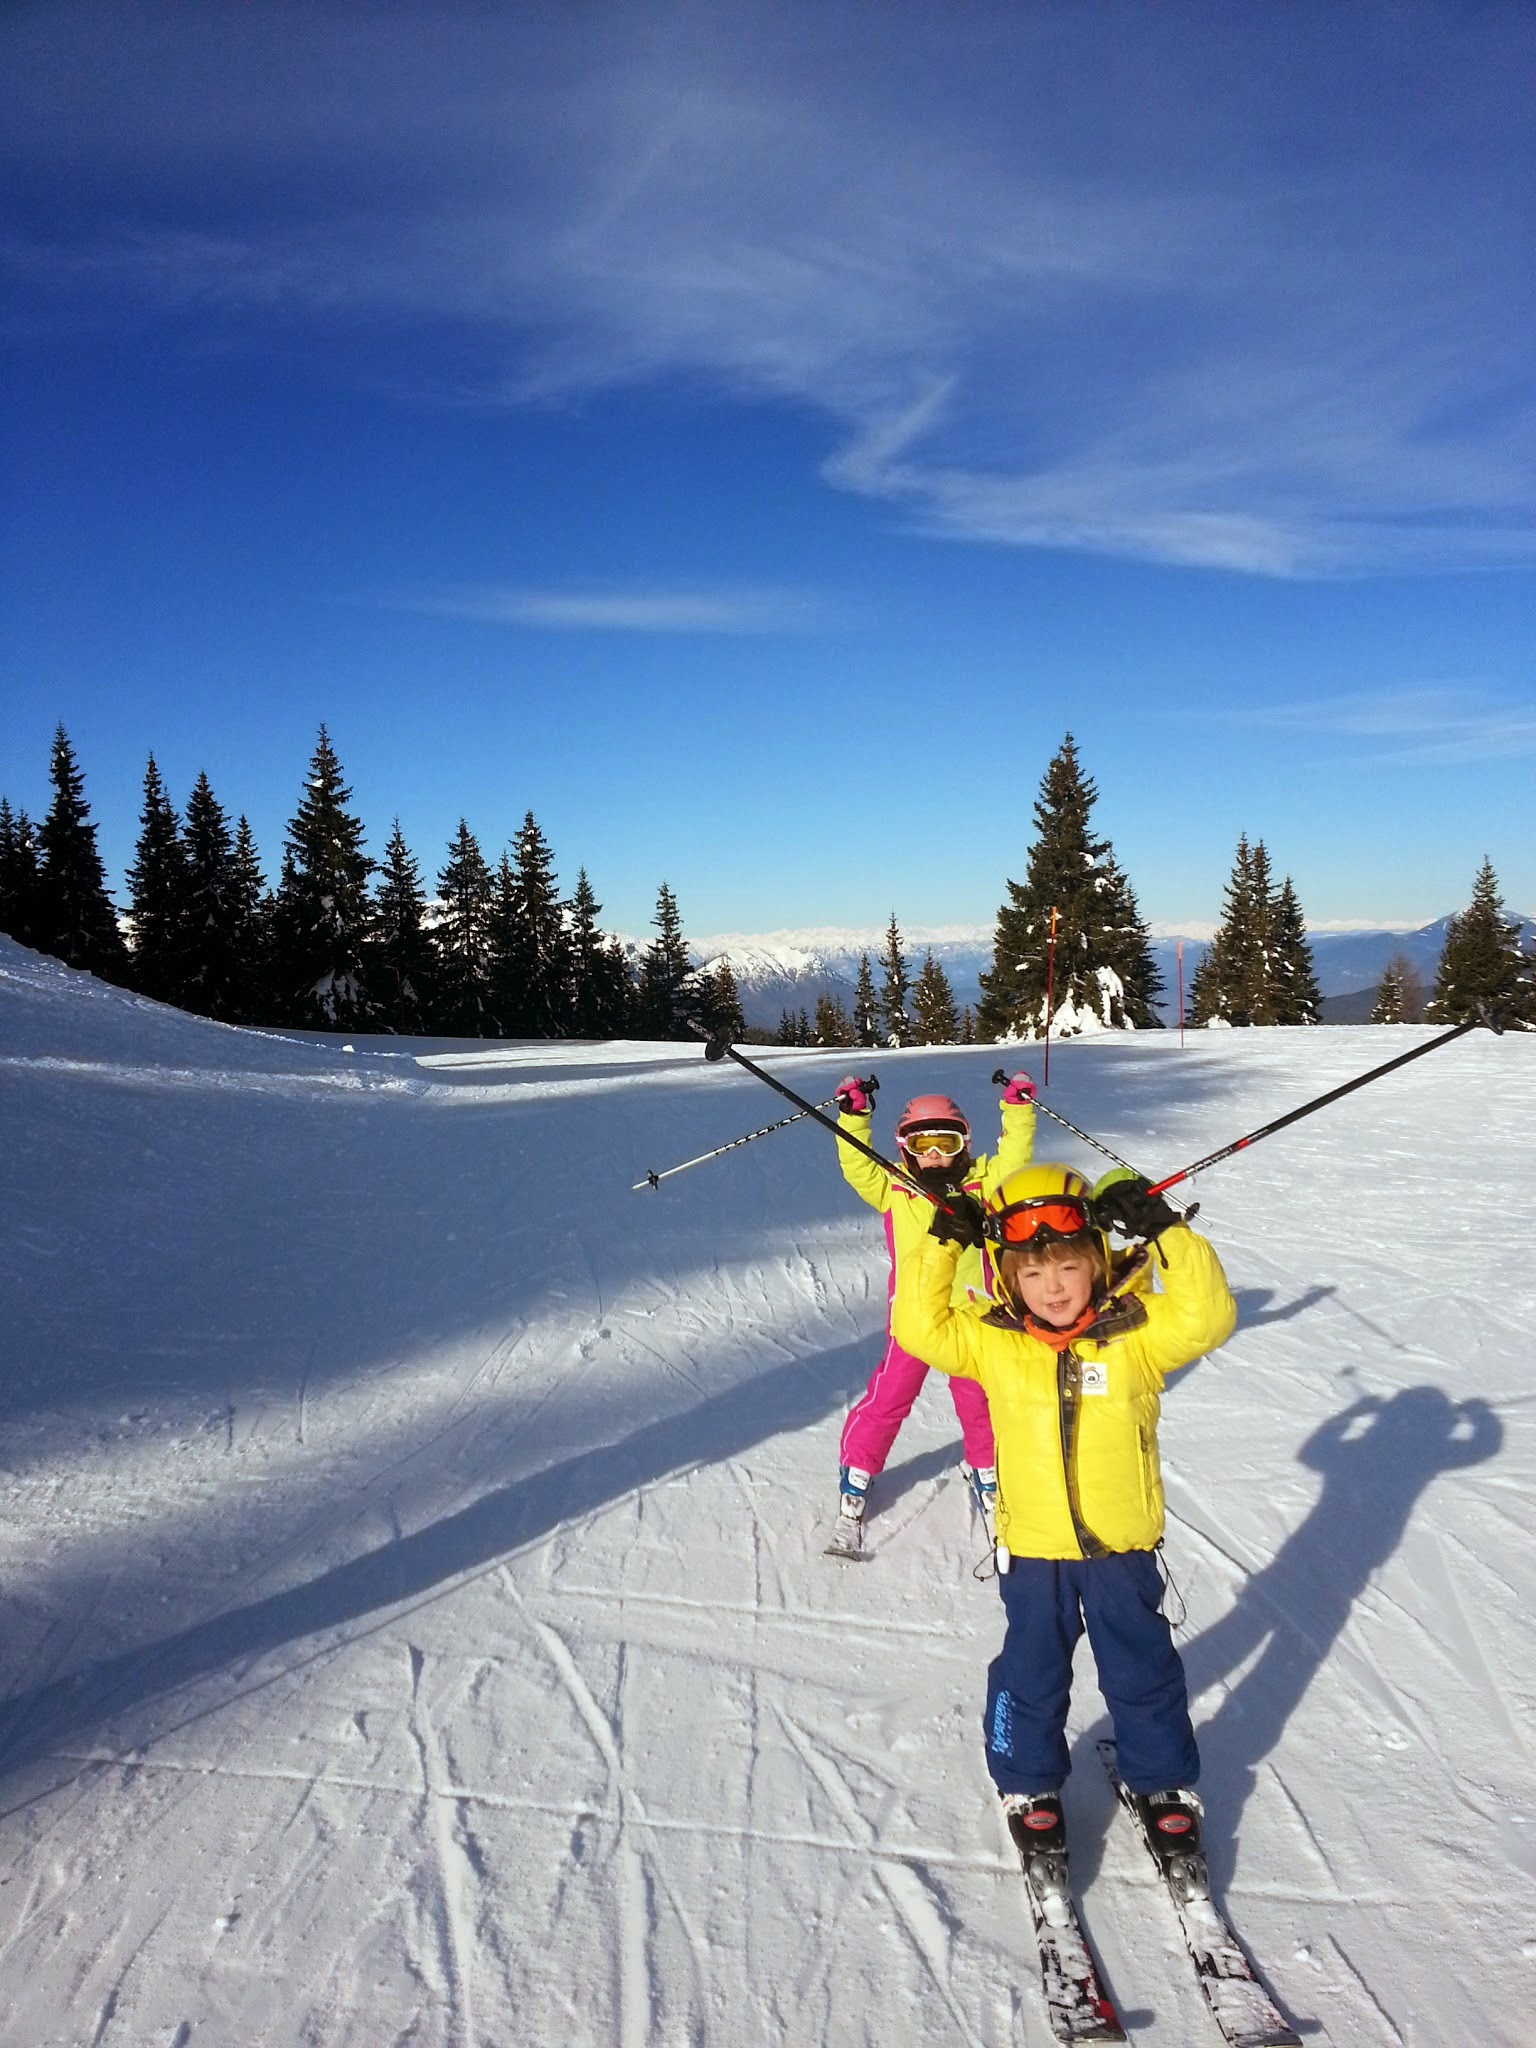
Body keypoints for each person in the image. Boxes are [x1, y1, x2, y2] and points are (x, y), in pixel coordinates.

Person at [890, 1161, 1237, 1913]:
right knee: (1032, 1673)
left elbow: (1208, 1318)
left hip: (1121, 1551)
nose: (1054, 1286)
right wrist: (942, 1242)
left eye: (1070, 1265)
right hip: (1035, 1555)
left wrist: (1165, 1228)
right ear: (1008, 1276)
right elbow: (916, 1326)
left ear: (1099, 1262)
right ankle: (1028, 1784)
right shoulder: (993, 1341)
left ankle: (1162, 1783)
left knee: (1142, 1672)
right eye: (1033, 1270)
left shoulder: (1136, 1334)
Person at [828, 1073, 1037, 1548]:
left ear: (964, 1144)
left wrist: (1018, 1112)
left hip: (974, 1319)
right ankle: (857, 1472)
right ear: (905, 1148)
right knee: (890, 1397)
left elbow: (1015, 1157)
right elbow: (859, 1167)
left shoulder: (983, 1185)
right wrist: (855, 1117)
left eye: (947, 1141)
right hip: (916, 1318)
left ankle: (987, 1470)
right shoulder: (895, 1189)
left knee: (979, 1402)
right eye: (923, 1144)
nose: (935, 1155)